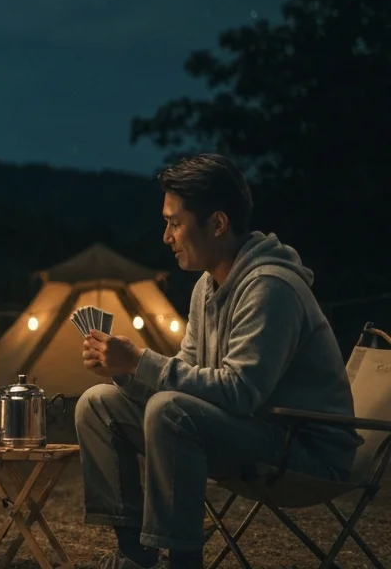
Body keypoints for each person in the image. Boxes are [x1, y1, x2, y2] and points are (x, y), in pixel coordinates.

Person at [76, 153, 361, 569]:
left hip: (300, 446)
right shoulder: (206, 289)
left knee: (169, 411)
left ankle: (182, 562)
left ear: (217, 223)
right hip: (250, 430)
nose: (166, 236)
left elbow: (241, 392)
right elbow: (188, 374)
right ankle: (137, 556)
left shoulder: (271, 287)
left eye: (175, 223)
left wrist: (140, 360)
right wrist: (125, 371)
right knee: (98, 404)